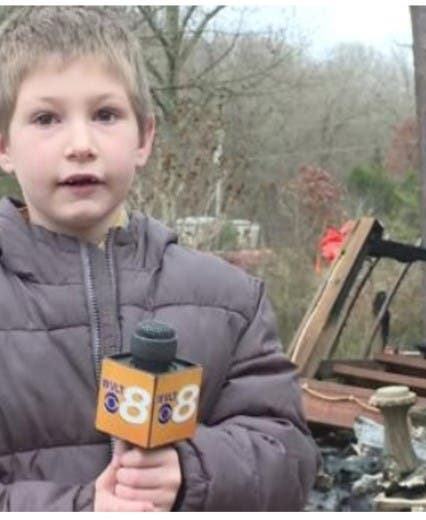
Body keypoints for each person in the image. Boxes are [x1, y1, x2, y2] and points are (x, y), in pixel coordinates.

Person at [0, 7, 319, 511]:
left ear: (144, 138)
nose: (80, 145)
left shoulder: (230, 300)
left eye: (106, 115)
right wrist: (83, 508)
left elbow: (290, 460)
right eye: (46, 118)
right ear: (4, 146)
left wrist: (190, 471)